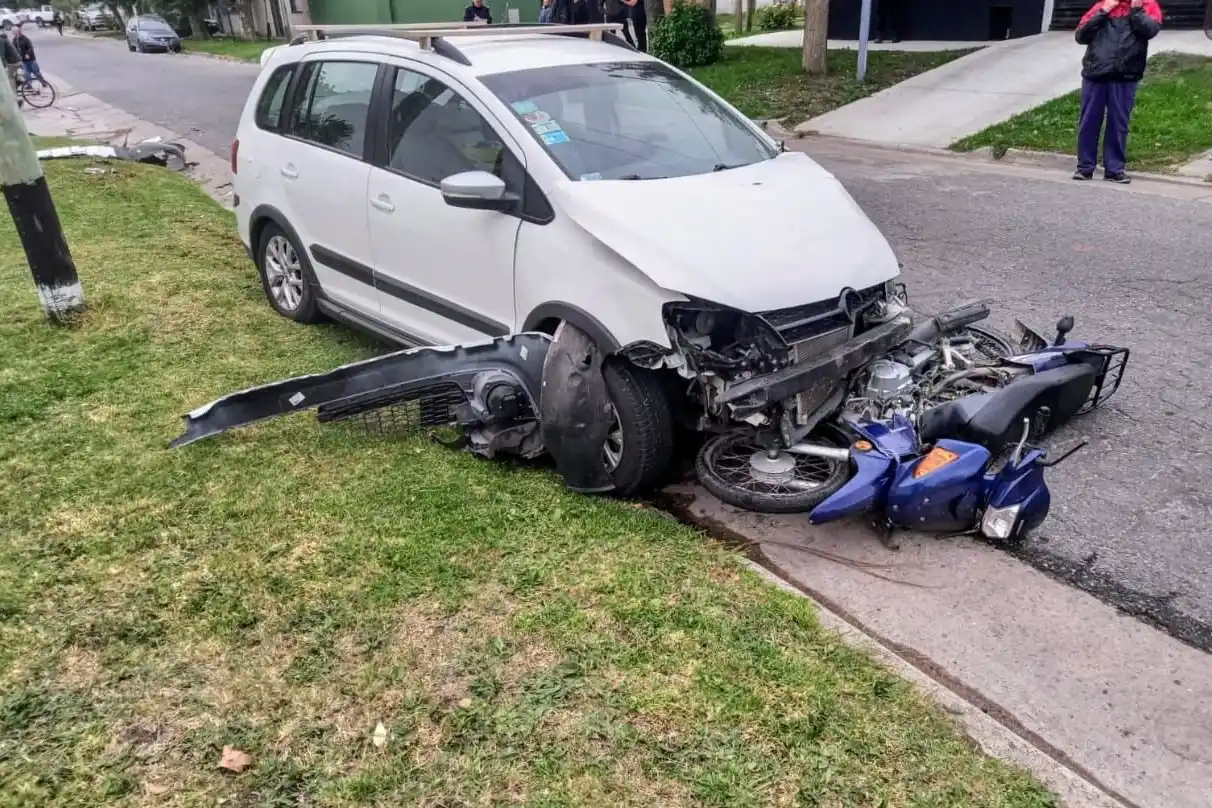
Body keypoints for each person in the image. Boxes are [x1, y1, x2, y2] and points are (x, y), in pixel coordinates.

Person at [1072, 0, 1162, 184]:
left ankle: (1114, 170)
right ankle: (1085, 167)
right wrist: (1104, 11)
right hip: (1096, 73)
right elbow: (1081, 35)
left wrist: (1137, 10)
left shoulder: (1147, 5)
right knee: (1089, 121)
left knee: (1118, 124)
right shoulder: (1102, 5)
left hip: (1126, 75)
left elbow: (1150, 30)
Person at [13, 24, 43, 88]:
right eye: (13, 33)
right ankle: (29, 85)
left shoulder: (25, 39)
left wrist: (27, 54)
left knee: (36, 72)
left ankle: (43, 82)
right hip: (22, 60)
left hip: (30, 59)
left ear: (19, 32)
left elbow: (30, 47)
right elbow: (14, 49)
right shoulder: (14, 40)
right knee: (26, 74)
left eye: (15, 32)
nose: (14, 34)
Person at [1, 31, 20, 107]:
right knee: (13, 81)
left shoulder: (1, 41)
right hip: (17, 61)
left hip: (12, 63)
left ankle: (16, 102)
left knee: (9, 83)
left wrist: (3, 67)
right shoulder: (6, 41)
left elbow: (1, 55)